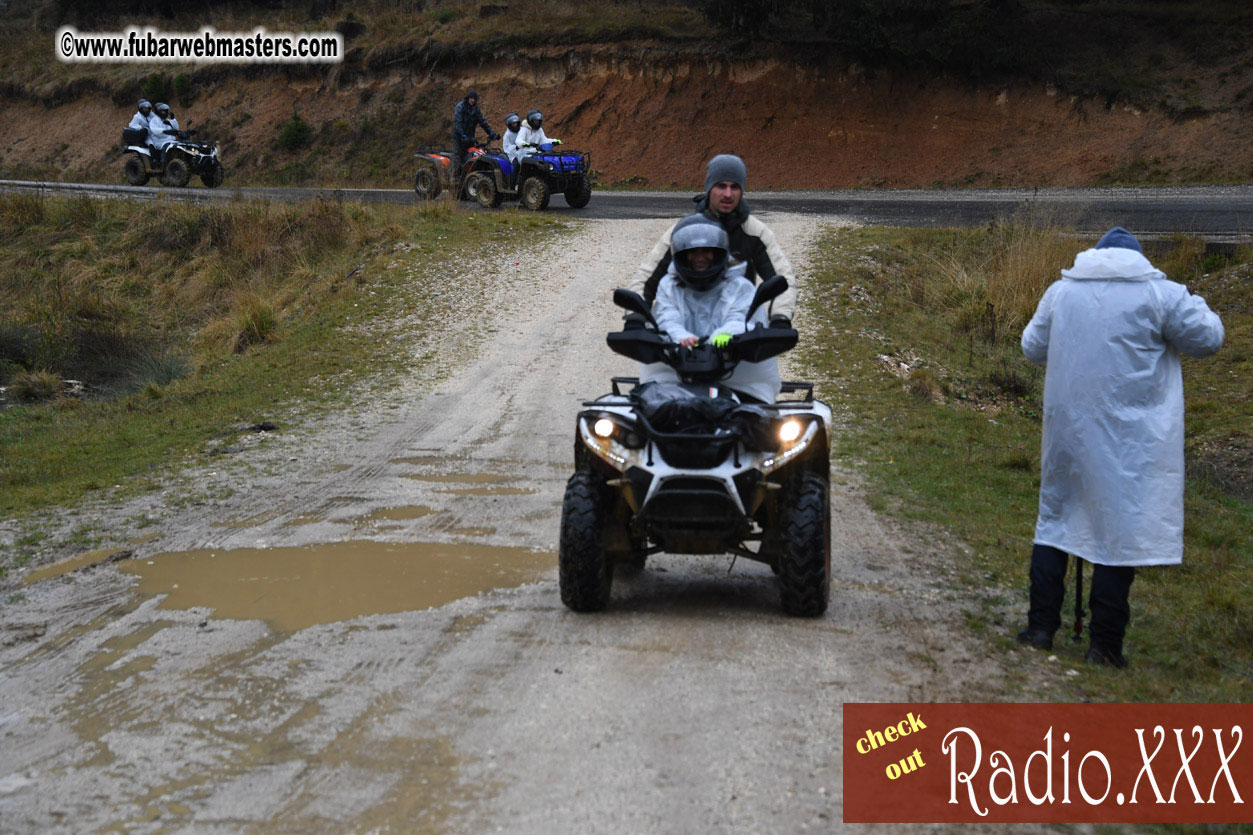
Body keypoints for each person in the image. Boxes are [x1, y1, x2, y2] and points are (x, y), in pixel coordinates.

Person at [1016, 227, 1224, 668]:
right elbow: (1209, 338)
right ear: (1138, 259)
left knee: (1055, 520)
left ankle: (1040, 629)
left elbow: (1032, 348)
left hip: (1068, 433)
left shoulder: (1061, 292)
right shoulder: (1160, 294)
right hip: (1130, 443)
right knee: (1117, 534)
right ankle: (1104, 647)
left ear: (1095, 255)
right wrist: (1196, 298)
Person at [627, 154, 796, 330]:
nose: (728, 194)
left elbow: (783, 279)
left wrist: (780, 318)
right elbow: (646, 277)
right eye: (721, 186)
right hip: (685, 328)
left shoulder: (755, 232)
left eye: (735, 187)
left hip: (737, 328)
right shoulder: (683, 232)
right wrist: (635, 317)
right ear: (709, 187)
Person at [644, 214, 781, 404]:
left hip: (738, 378)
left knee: (763, 427)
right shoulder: (668, 285)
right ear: (681, 254)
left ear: (719, 252)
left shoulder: (740, 286)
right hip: (674, 375)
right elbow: (666, 318)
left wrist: (725, 335)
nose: (700, 258)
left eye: (706, 251)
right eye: (693, 251)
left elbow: (741, 319)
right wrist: (680, 337)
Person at [451, 89, 497, 189]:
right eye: (471, 98)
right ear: (468, 98)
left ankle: (468, 177)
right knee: (457, 154)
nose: (472, 100)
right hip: (459, 136)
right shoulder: (460, 107)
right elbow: (458, 123)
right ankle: (453, 177)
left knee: (471, 155)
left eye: (474, 99)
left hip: (469, 137)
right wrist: (462, 135)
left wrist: (491, 133)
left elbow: (483, 122)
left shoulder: (476, 109)